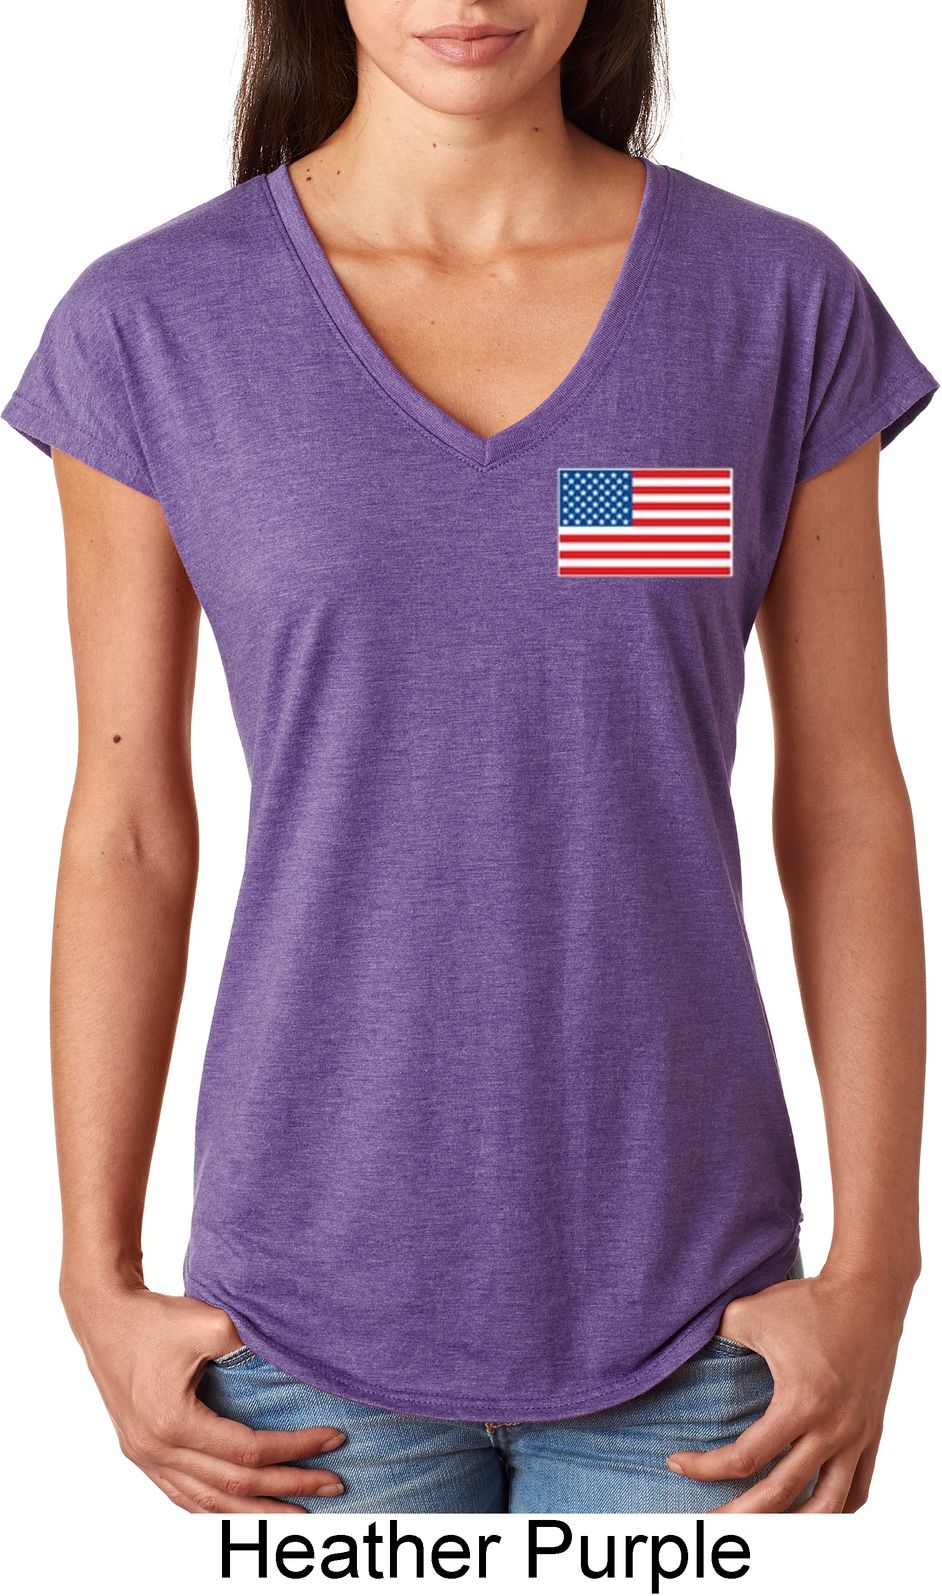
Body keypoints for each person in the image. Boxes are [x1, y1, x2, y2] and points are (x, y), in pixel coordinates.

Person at [3, 1, 936, 1517]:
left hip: (705, 1335)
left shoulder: (772, 304)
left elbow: (844, 804)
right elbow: (129, 827)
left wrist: (878, 1269)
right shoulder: (153, 326)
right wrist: (93, 1280)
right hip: (291, 1340)